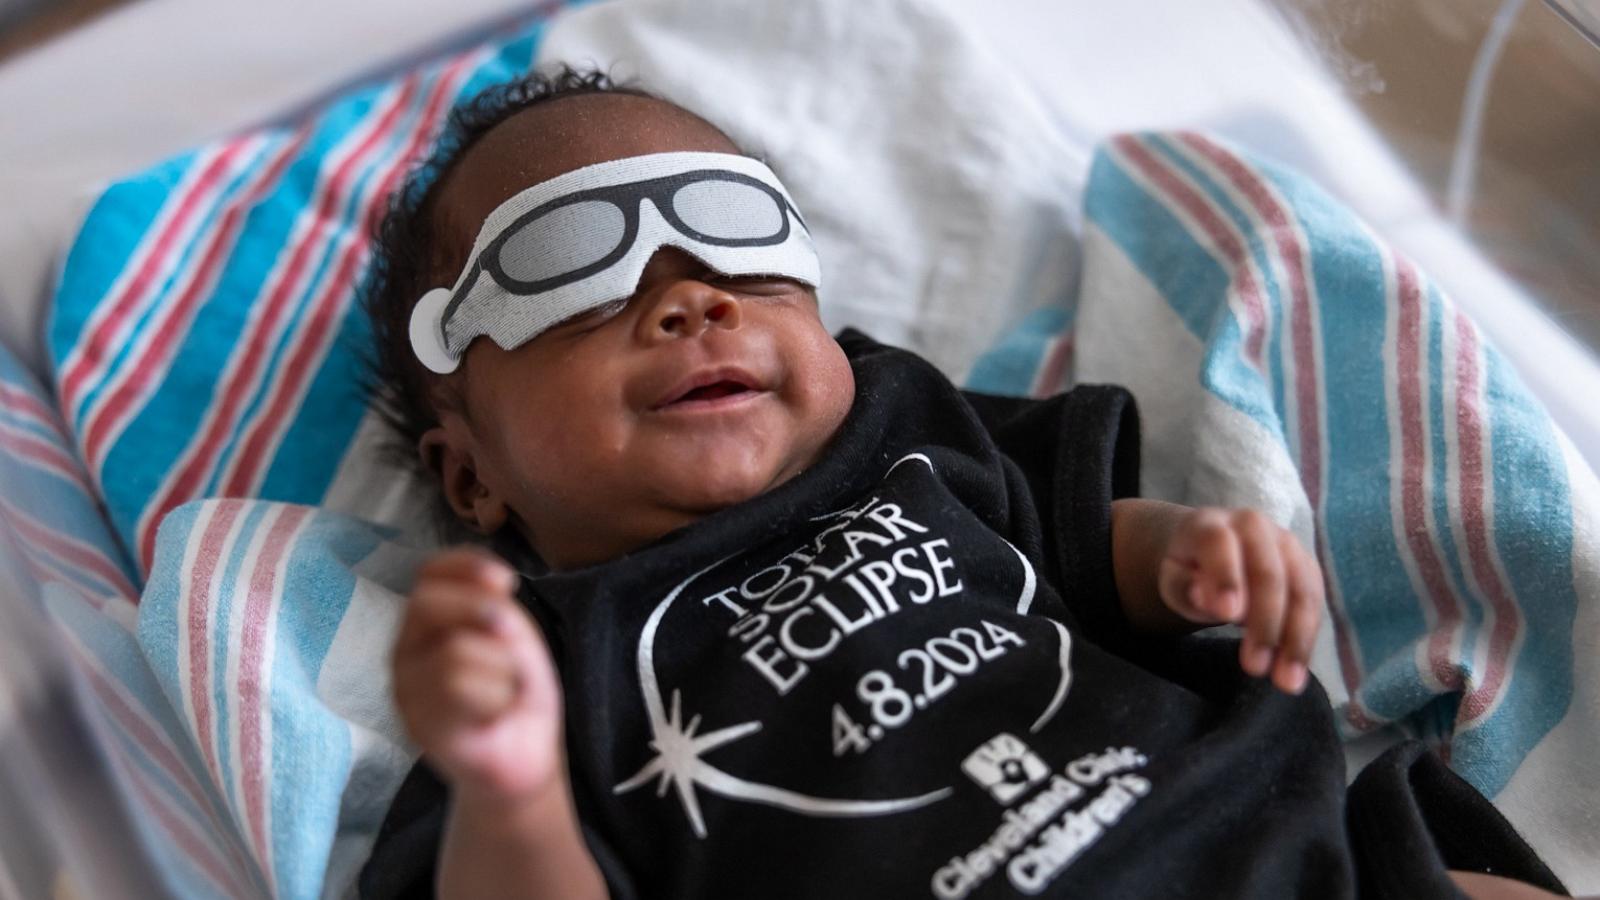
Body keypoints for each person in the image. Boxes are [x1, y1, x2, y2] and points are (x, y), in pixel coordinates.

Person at [357, 68, 1568, 900]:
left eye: (738, 238)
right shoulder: (534, 675)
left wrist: (1185, 555)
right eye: (569, 268)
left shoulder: (905, 434)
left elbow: (1079, 547)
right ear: (470, 475)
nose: (692, 295)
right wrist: (507, 794)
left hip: (1253, 844)